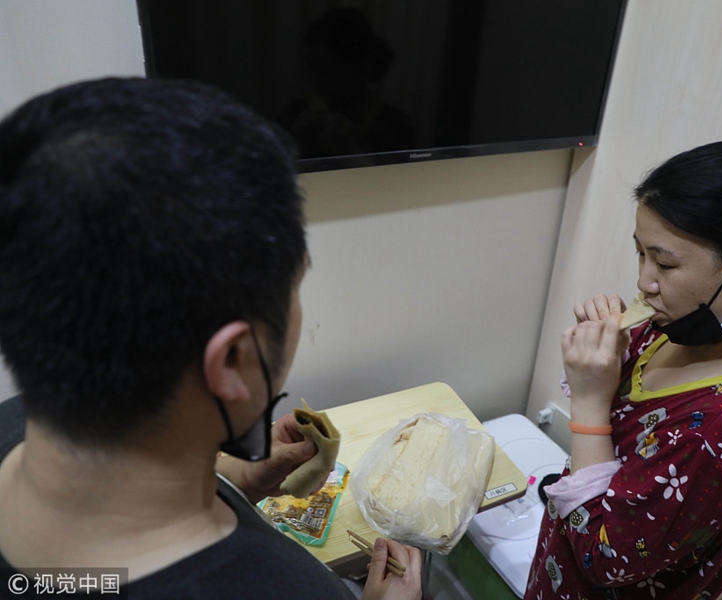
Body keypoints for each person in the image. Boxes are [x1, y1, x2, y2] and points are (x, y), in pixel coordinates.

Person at [0, 77, 421, 599]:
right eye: (296, 286)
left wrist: (232, 480)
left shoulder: (15, 418)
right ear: (232, 361)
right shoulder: (290, 592)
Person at [525, 141, 722, 599]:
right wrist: (605, 355)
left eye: (664, 262)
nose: (643, 281)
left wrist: (588, 400)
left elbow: (606, 558)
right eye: (640, 254)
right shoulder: (698, 319)